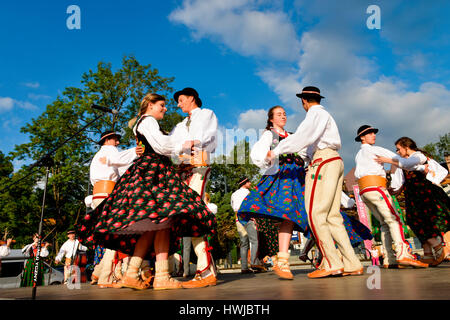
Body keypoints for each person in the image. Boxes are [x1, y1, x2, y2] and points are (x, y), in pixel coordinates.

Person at [77, 93, 216, 290]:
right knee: (166, 218)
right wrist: (183, 145)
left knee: (156, 223)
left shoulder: (145, 122)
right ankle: (161, 276)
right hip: (154, 171)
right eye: (162, 104)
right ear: (150, 105)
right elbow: (161, 145)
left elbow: (155, 145)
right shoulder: (148, 120)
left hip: (152, 169)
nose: (165, 108)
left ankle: (135, 273)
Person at [241, 105, 371, 279]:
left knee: (315, 217)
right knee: (289, 215)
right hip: (284, 177)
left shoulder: (294, 137)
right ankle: (283, 260)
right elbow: (258, 155)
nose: (283, 117)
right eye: (279, 114)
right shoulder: (269, 135)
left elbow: (306, 155)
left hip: (300, 177)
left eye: (285, 114)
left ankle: (330, 259)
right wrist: (269, 159)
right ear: (271, 119)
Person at [267, 87, 363, 279]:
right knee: (333, 216)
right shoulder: (325, 115)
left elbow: (303, 138)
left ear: (304, 101)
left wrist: (276, 151)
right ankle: (352, 262)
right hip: (335, 160)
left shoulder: (314, 115)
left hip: (322, 162)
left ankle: (331, 262)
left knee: (315, 213)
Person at [354, 126, 428, 268]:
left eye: (373, 133)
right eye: (369, 133)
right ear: (362, 137)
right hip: (376, 187)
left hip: (364, 191)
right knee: (395, 219)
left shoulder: (358, 154)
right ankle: (403, 254)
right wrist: (421, 163)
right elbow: (403, 162)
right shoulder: (375, 150)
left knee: (384, 223)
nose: (373, 135)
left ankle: (389, 258)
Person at [170, 87, 219, 288]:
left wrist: (192, 144)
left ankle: (205, 270)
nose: (178, 104)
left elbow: (208, 137)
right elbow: (172, 145)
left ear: (191, 98)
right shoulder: (180, 124)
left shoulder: (206, 114)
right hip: (182, 170)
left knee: (194, 214)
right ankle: (207, 269)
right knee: (188, 216)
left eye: (181, 100)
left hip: (198, 166)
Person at [375, 136, 450, 267]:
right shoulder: (402, 163)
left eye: (399, 149)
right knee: (414, 221)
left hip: (425, 193)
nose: (398, 152)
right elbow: (402, 180)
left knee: (424, 221)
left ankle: (437, 246)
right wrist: (396, 191)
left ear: (406, 147)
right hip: (413, 195)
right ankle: (428, 253)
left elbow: (412, 165)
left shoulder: (419, 156)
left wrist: (388, 160)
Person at [87, 130, 141, 288]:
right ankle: (105, 277)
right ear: (107, 140)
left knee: (112, 235)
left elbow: (119, 167)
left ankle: (98, 272)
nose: (117, 143)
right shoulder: (109, 151)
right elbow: (119, 160)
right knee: (116, 237)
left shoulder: (99, 157)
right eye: (115, 139)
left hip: (99, 195)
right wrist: (135, 151)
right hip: (106, 194)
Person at [231, 177, 264, 274]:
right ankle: (254, 262)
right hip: (248, 218)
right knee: (254, 241)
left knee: (243, 243)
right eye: (248, 182)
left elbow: (234, 207)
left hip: (238, 219)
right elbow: (254, 206)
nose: (250, 183)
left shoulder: (234, 194)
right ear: (244, 183)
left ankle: (244, 267)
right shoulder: (249, 193)